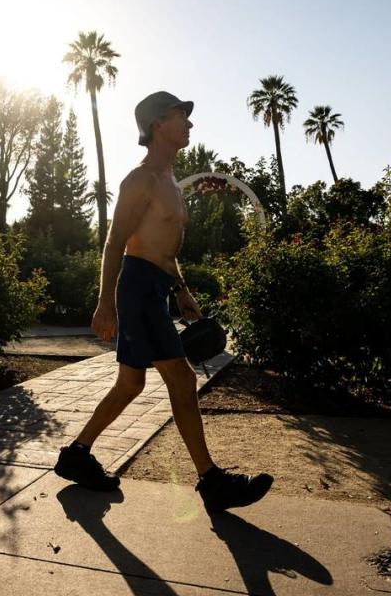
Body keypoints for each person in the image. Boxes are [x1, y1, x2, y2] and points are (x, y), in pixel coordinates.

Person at [54, 91, 274, 512]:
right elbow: (117, 242)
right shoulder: (142, 180)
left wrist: (182, 289)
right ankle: (211, 481)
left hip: (157, 286)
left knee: (131, 383)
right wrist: (106, 304)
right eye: (180, 118)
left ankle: (76, 456)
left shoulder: (171, 182)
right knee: (183, 379)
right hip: (137, 287)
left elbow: (165, 248)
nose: (189, 125)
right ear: (157, 125)